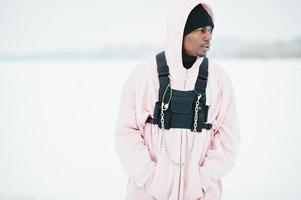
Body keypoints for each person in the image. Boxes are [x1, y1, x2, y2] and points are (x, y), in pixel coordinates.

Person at [115, 0, 240, 199]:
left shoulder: (219, 80)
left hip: (202, 195)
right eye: (200, 30)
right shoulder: (144, 75)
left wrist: (202, 180)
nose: (208, 36)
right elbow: (126, 134)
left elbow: (228, 141)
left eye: (210, 29)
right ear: (180, 30)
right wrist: (151, 179)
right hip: (149, 194)